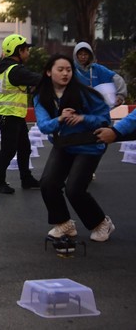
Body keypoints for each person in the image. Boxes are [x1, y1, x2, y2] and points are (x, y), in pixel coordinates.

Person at [34, 54, 114, 242]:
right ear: (48, 72)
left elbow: (105, 118)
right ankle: (64, 224)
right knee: (48, 183)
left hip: (89, 146)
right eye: (60, 70)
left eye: (68, 70)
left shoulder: (84, 92)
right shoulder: (41, 97)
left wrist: (83, 118)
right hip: (65, 145)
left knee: (74, 189)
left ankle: (102, 223)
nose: (65, 74)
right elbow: (44, 125)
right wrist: (60, 119)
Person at [0, 34, 42, 194]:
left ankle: (26, 179)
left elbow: (17, 88)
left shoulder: (6, 69)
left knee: (24, 148)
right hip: (9, 116)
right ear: (18, 51)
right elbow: (37, 78)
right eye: (26, 50)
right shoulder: (15, 70)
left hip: (13, 115)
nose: (28, 53)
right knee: (8, 151)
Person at [72, 42, 126, 107]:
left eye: (85, 54)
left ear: (90, 55)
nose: (83, 57)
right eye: (80, 54)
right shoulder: (71, 69)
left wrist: (120, 95)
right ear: (75, 55)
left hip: (96, 106)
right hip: (78, 105)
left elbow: (116, 78)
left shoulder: (97, 68)